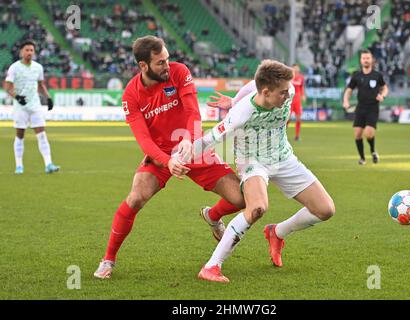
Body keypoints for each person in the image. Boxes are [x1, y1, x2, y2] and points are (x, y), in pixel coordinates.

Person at [93, 36, 245, 279]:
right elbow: (143, 140)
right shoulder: (130, 95)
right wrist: (167, 161)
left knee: (241, 199)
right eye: (160, 62)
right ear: (143, 66)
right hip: (161, 156)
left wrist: (188, 139)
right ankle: (108, 260)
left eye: (167, 58)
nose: (167, 65)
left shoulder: (179, 72)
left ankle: (212, 215)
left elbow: (192, 110)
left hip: (193, 147)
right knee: (135, 199)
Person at [191, 60, 335, 283]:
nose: (288, 95)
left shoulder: (287, 88)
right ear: (266, 92)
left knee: (325, 209)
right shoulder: (241, 114)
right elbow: (209, 139)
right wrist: (176, 158)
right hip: (252, 161)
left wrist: (233, 99)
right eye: (283, 93)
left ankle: (277, 233)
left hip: (283, 157)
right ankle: (211, 266)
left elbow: (252, 84)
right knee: (258, 207)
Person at [4, 40, 59, 174]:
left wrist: (48, 97)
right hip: (20, 107)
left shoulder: (38, 67)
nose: (29, 52)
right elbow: (7, 87)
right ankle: (19, 166)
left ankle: (49, 164)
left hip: (35, 105)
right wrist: (17, 97)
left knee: (42, 134)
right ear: (21, 52)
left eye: (31, 50)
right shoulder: (14, 67)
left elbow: (41, 85)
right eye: (27, 50)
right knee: (20, 135)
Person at [343, 50, 389, 165]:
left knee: (368, 133)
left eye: (368, 58)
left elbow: (385, 88)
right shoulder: (357, 75)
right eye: (364, 58)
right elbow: (349, 90)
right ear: (361, 60)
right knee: (358, 134)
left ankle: (373, 151)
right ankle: (362, 158)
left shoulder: (377, 75)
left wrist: (382, 95)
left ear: (372, 60)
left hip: (373, 108)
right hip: (360, 107)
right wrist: (346, 101)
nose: (366, 60)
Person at [289, 63, 306, 141]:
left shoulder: (301, 77)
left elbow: (302, 87)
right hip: (290, 100)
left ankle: (297, 136)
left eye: (297, 68)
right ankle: (282, 136)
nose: (296, 70)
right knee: (287, 119)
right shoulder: (289, 77)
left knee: (298, 119)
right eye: (294, 68)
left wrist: (303, 95)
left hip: (297, 101)